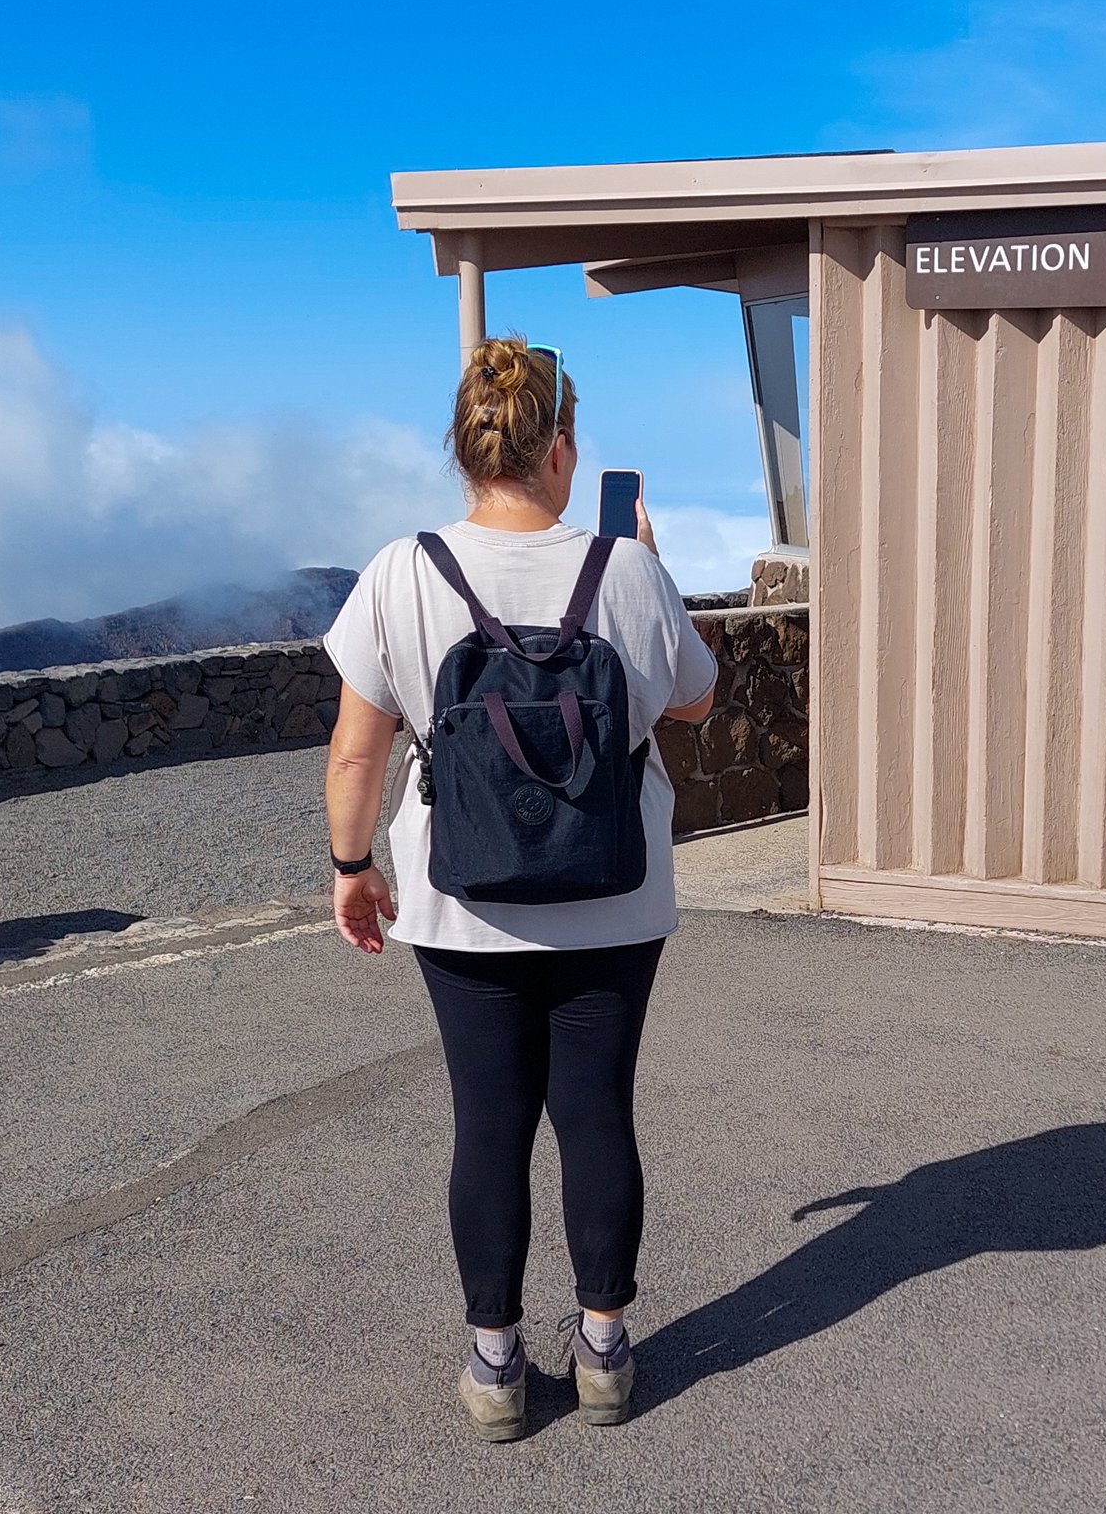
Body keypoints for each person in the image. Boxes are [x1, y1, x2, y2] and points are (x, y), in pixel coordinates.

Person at [320, 335, 718, 1441]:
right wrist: (648, 565)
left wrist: (354, 869)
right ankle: (602, 1353)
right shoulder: (626, 570)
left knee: (487, 1124)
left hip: (463, 901)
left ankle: (496, 1368)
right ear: (563, 450)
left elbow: (358, 752)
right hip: (615, 897)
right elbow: (690, 700)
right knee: (595, 1114)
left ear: (468, 449)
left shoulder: (400, 571)